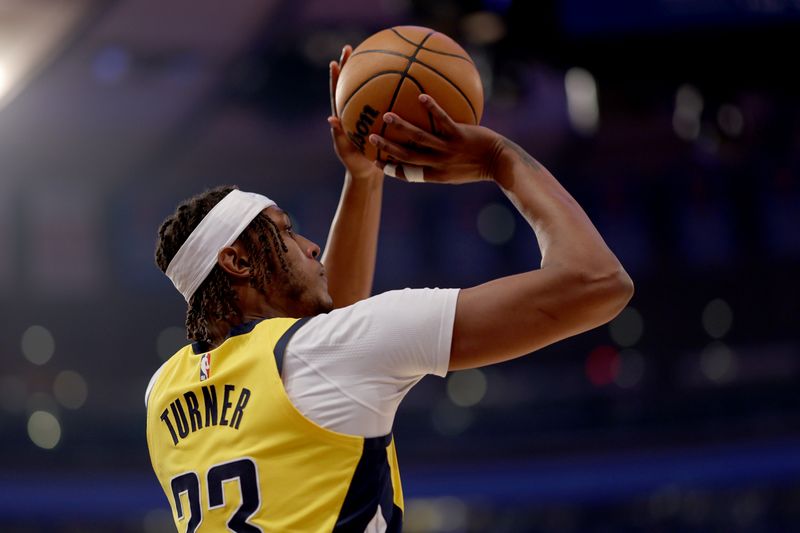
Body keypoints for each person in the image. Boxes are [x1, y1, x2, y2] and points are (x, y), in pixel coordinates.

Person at [145, 45, 633, 533]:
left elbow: (329, 346)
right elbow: (598, 283)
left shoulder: (162, 394)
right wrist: (497, 158)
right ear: (237, 260)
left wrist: (364, 178)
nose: (311, 246)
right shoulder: (325, 355)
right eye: (286, 231)